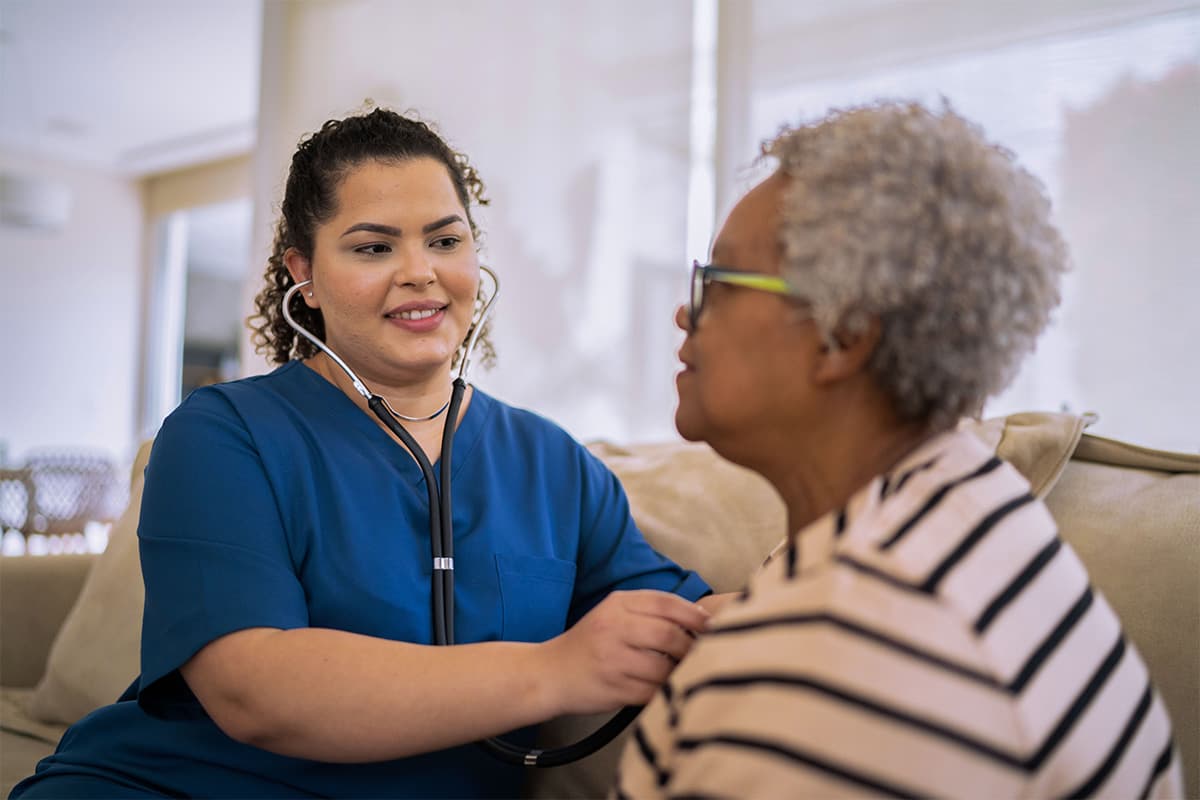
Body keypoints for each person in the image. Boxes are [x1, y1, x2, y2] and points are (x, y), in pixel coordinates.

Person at [13, 107, 721, 799]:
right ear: (305, 276)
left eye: (445, 241)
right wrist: (556, 670)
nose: (420, 272)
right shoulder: (223, 434)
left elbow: (695, 619)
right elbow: (254, 689)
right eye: (373, 247)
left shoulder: (555, 466)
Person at [614, 101, 1183, 798]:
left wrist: (774, 647)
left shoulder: (818, 677)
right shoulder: (976, 504)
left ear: (843, 335)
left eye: (721, 283)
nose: (686, 310)